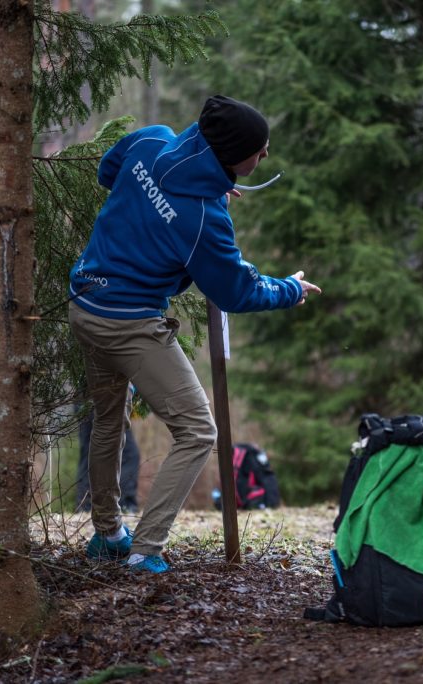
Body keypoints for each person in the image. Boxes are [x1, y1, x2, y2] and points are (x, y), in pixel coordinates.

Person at [68, 95, 321, 573]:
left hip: (84, 303)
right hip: (129, 322)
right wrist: (289, 288)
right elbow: (237, 291)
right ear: (231, 153)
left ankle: (107, 535)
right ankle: (145, 551)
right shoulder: (204, 217)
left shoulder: (153, 140)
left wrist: (160, 205)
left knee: (108, 420)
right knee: (198, 431)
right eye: (259, 149)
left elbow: (108, 171)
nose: (264, 156)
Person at [74, 392, 141, 514]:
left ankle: (86, 506)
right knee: (128, 454)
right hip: (105, 395)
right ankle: (124, 504)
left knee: (89, 452)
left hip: (91, 396)